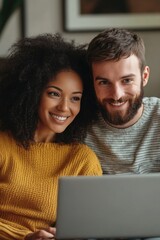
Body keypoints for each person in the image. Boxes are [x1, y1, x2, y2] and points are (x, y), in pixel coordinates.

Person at [0, 33, 102, 240]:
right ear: (32, 92)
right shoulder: (3, 145)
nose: (65, 107)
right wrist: (25, 237)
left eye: (75, 98)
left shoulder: (82, 160)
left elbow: (89, 228)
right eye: (54, 94)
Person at [85, 27, 160, 174]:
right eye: (104, 82)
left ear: (144, 77)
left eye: (126, 80)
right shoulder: (80, 126)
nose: (116, 95)